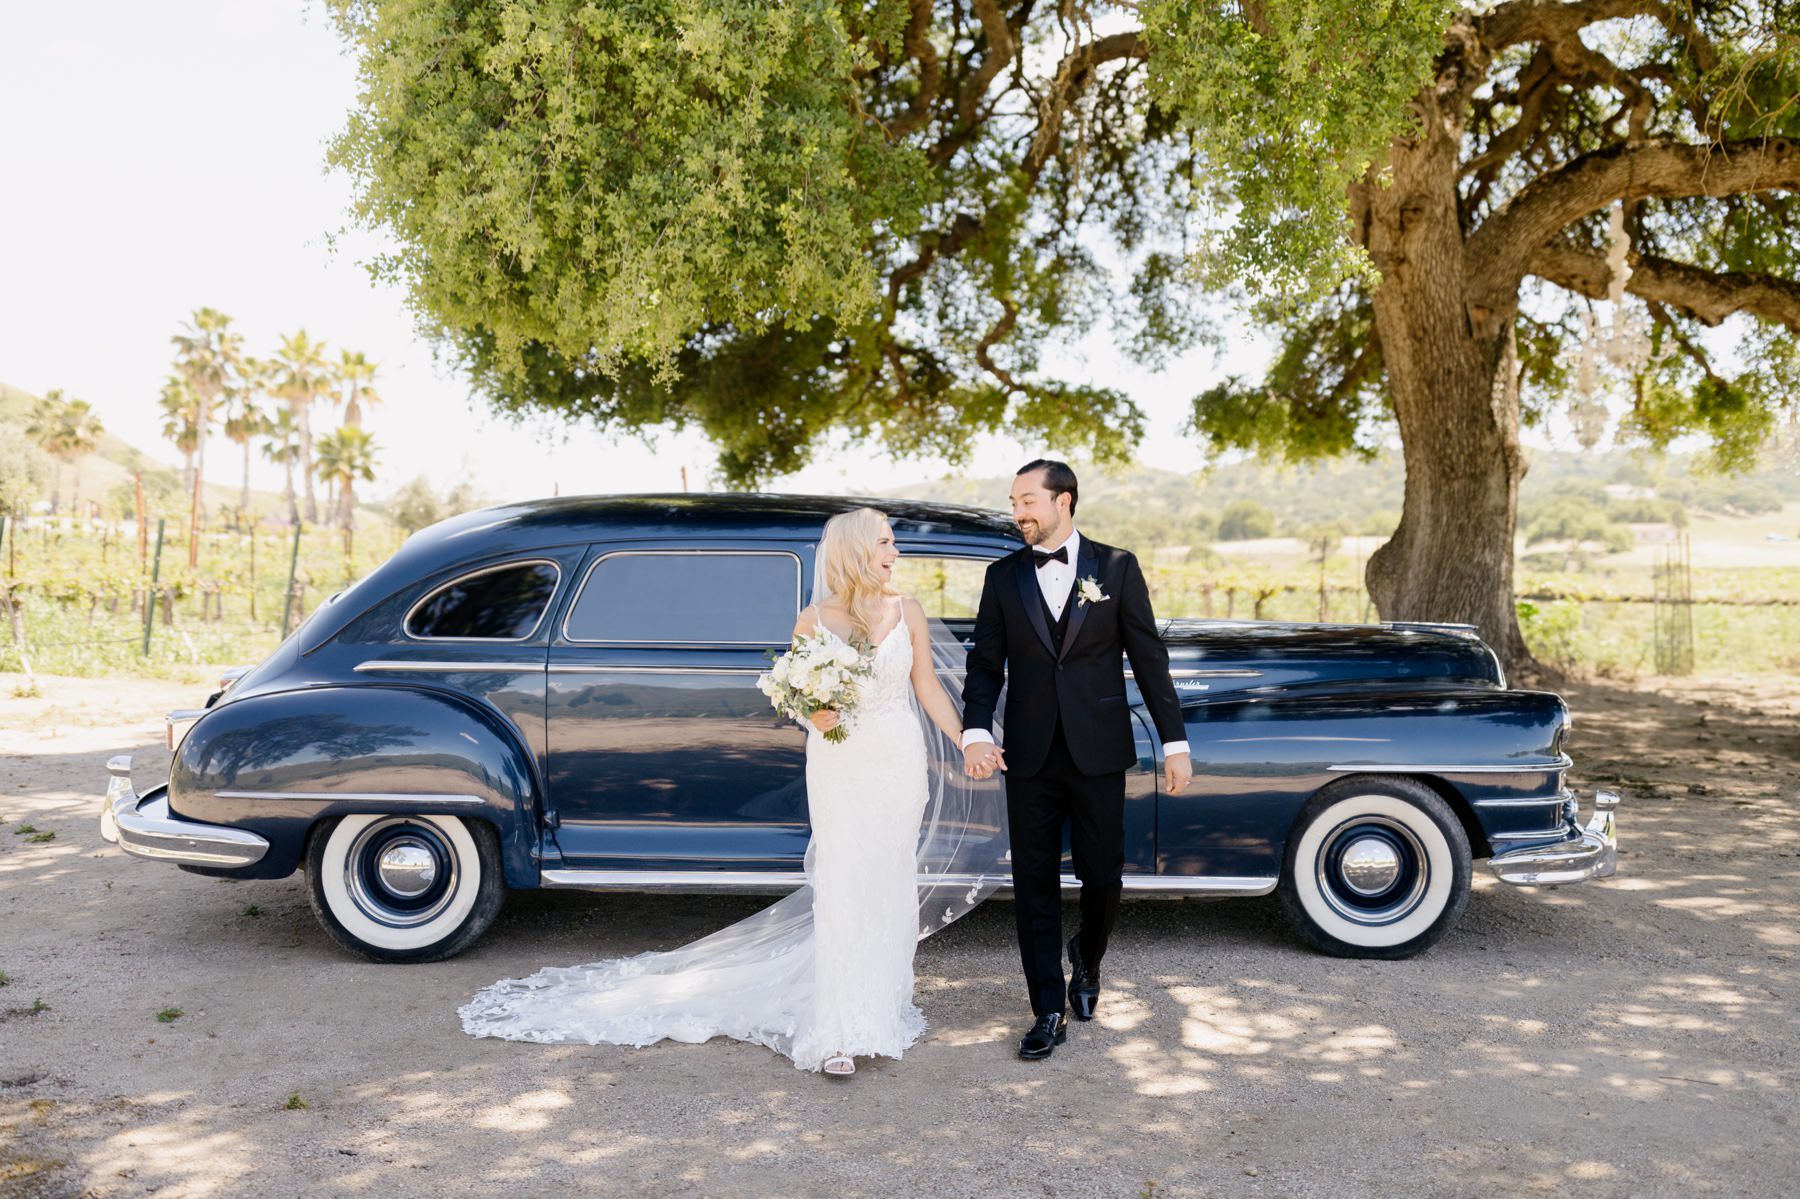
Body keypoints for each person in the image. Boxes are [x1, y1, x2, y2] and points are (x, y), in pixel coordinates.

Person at [458, 507, 1003, 1078]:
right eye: (886, 542)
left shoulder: (906, 610)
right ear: (856, 550)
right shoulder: (812, 619)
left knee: (889, 879)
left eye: (894, 542)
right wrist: (815, 712)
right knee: (843, 880)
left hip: (897, 758)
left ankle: (881, 1008)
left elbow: (927, 688)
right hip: (842, 761)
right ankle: (838, 1027)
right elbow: (805, 701)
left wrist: (968, 739)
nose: (895, 551)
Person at [960, 459, 1192, 1060]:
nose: (1019, 513)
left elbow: (1148, 659)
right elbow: (984, 664)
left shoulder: (1116, 567)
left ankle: (1086, 964)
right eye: (1014, 502)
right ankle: (1046, 1009)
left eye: (1028, 501)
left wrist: (1175, 742)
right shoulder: (1002, 576)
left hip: (1099, 753)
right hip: (1028, 757)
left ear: (1065, 501)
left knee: (1104, 877)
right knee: (1032, 883)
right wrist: (975, 732)